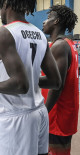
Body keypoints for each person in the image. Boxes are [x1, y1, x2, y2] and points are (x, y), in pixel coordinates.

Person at [0, 0, 62, 154]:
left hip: (17, 118)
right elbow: (55, 82)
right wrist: (31, 79)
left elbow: (20, 85)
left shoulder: (4, 32)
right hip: (39, 112)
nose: (0, 11)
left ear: (6, 4)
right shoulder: (39, 34)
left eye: (0, 6)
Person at [42, 5, 78, 155]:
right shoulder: (69, 44)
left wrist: (44, 113)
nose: (44, 22)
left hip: (57, 114)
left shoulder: (59, 46)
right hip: (65, 112)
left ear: (56, 21)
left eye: (48, 18)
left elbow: (57, 85)